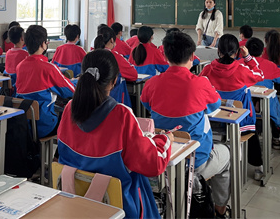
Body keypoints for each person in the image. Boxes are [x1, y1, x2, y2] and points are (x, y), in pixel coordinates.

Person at [57, 49, 172, 219]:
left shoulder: (69, 109)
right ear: (113, 82)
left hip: (74, 201)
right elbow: (153, 165)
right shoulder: (122, 115)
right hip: (118, 207)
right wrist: (165, 139)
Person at [141, 31, 230, 219]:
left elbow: (146, 104)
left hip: (163, 158)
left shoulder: (151, 83)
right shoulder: (200, 84)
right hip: (195, 162)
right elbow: (214, 106)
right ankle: (220, 210)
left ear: (165, 56)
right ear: (192, 56)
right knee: (227, 155)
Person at [200, 34, 265, 181]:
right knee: (252, 132)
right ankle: (258, 167)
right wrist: (248, 57)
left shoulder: (208, 69)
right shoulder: (241, 70)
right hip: (239, 124)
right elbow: (260, 75)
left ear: (218, 51)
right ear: (236, 52)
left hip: (213, 121)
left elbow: (199, 86)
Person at [16, 25, 75, 138]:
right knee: (72, 117)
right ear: (43, 44)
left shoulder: (19, 66)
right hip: (45, 125)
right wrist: (75, 81)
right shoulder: (49, 68)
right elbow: (71, 91)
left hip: (24, 125)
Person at [246, 37, 280, 150]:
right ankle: (276, 137)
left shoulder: (239, 64)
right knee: (275, 105)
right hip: (265, 108)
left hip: (243, 110)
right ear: (262, 52)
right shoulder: (268, 65)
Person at [93, 26, 138, 107]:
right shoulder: (115, 57)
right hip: (114, 102)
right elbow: (133, 75)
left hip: (93, 102)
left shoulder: (90, 56)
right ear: (112, 40)